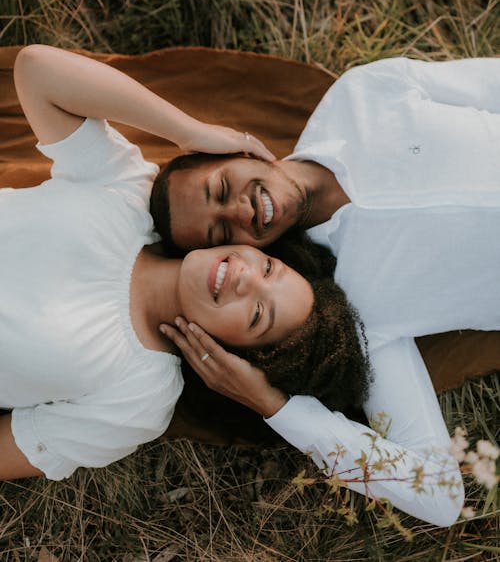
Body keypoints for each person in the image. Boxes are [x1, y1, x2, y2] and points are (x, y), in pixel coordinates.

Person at [155, 55, 500, 526]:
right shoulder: (354, 309)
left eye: (219, 187)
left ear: (234, 151)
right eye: (219, 235)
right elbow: (438, 494)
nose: (238, 210)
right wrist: (274, 407)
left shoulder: (361, 95)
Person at [0, 44, 368, 482]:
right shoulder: (128, 194)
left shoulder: (141, 398)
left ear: (234, 353)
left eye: (256, 314)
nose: (245, 279)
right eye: (269, 269)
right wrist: (189, 132)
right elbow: (38, 69)